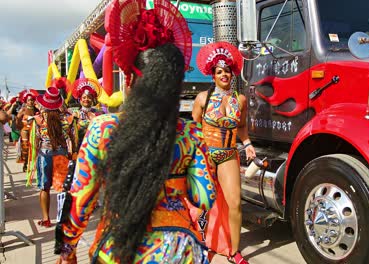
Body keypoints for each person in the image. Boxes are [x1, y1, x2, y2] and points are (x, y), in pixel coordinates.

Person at [55, 0, 215, 263]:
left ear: (130, 79)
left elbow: (79, 201)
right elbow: (204, 197)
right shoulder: (190, 134)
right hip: (180, 251)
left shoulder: (103, 129)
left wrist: (66, 248)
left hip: (118, 251)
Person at [192, 41, 256, 264]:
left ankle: (233, 252)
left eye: (227, 71)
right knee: (204, 205)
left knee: (235, 203)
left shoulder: (240, 100)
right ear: (213, 75)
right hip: (207, 156)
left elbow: (241, 127)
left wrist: (247, 143)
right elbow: (194, 126)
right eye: (219, 71)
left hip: (228, 154)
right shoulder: (203, 98)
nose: (224, 75)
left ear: (232, 74)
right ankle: (201, 245)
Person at [28, 87, 73, 228]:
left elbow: (35, 141)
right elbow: (70, 138)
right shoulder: (67, 119)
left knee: (44, 188)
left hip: (44, 155)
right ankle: (62, 219)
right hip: (61, 154)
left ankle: (46, 218)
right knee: (62, 189)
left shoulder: (38, 119)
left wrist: (34, 158)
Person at [68, 78, 104, 149]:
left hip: (95, 147)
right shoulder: (75, 114)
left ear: (93, 99)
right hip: (80, 147)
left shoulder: (99, 114)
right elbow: (70, 133)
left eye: (89, 97)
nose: (86, 99)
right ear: (80, 100)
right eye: (84, 97)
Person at [16, 89, 39, 171]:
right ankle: (25, 163)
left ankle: (34, 163)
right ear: (26, 101)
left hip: (34, 131)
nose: (31, 102)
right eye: (29, 100)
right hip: (25, 130)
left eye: (32, 100)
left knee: (35, 147)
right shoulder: (23, 110)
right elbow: (17, 121)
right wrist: (21, 127)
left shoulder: (37, 110)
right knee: (25, 147)